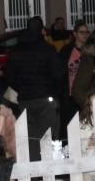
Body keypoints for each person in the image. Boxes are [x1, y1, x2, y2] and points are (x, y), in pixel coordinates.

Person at [4, 17, 64, 147]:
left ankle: (33, 163)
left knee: (30, 139)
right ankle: (49, 165)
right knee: (49, 139)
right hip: (45, 99)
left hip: (24, 99)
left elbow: (9, 76)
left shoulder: (16, 51)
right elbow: (59, 74)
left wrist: (21, 87)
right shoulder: (48, 49)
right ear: (42, 30)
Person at [58, 20, 91, 126]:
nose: (85, 35)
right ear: (75, 33)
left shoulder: (91, 50)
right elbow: (60, 73)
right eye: (82, 32)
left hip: (87, 95)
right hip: (70, 96)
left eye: (86, 32)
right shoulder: (66, 50)